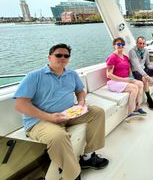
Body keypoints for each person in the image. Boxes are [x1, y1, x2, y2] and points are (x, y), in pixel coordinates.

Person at [14, 43, 109, 180]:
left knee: (97, 112)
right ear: (49, 57)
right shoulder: (34, 76)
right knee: (59, 137)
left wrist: (81, 103)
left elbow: (80, 91)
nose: (62, 58)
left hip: (68, 114)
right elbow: (20, 105)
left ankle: (88, 157)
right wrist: (50, 117)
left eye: (66, 56)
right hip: (40, 121)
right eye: (58, 55)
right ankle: (73, 175)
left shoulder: (71, 74)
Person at [106, 37, 146, 118]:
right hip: (114, 82)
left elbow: (129, 70)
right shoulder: (112, 57)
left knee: (141, 84)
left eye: (122, 44)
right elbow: (109, 75)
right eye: (118, 44)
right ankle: (130, 113)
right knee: (134, 88)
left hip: (124, 80)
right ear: (114, 45)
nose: (121, 46)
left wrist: (131, 78)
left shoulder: (125, 57)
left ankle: (138, 107)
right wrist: (125, 80)